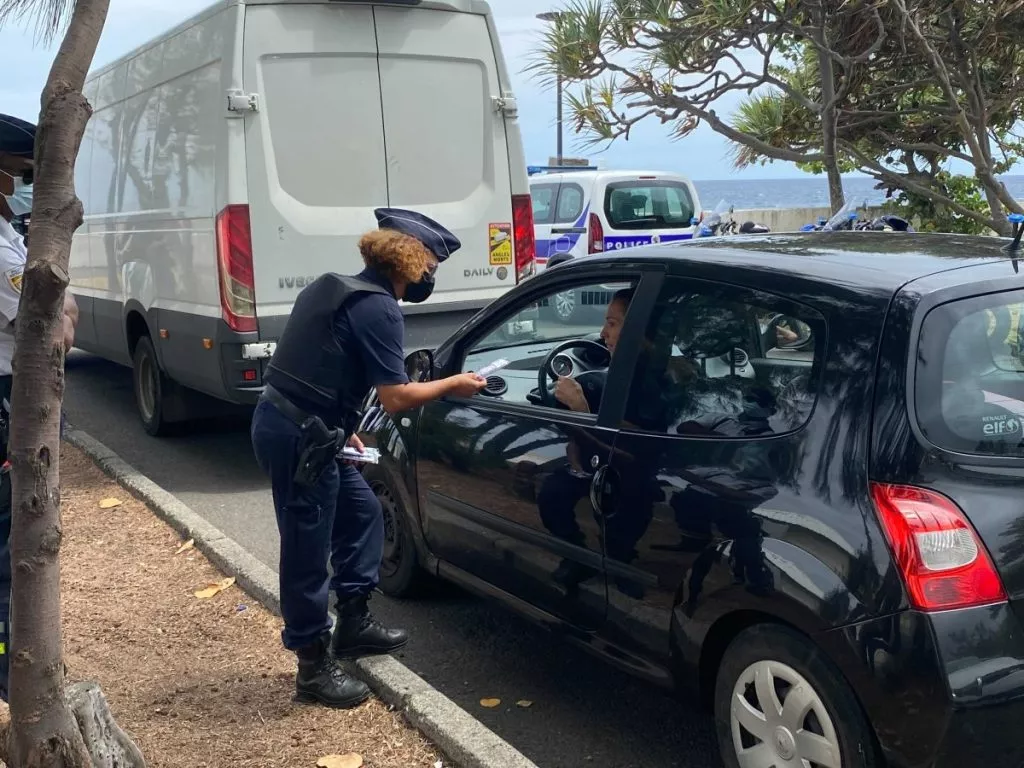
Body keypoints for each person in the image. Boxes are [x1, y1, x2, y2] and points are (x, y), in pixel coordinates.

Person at [250, 208, 487, 710]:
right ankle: (312, 667)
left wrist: (345, 426)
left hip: (303, 425)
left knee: (362, 512)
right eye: (431, 266)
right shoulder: (380, 308)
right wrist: (453, 384)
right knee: (307, 549)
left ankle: (354, 623)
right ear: (410, 262)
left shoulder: (333, 288)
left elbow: (315, 365)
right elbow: (396, 396)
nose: (431, 277)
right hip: (301, 438)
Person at [0, 113, 79, 701]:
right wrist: (64, 306)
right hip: (7, 398)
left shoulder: (10, 234)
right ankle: (10, 672)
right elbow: (52, 326)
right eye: (22, 173)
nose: (25, 186)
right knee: (11, 545)